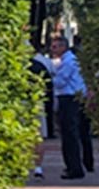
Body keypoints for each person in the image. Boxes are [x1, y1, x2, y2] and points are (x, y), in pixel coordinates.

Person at [40, 35, 93, 180]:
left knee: (70, 134)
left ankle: (74, 167)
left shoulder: (68, 62)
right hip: (73, 98)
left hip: (69, 99)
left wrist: (50, 77)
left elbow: (60, 82)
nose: (52, 49)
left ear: (64, 47)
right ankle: (79, 164)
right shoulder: (68, 61)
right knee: (76, 133)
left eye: (55, 46)